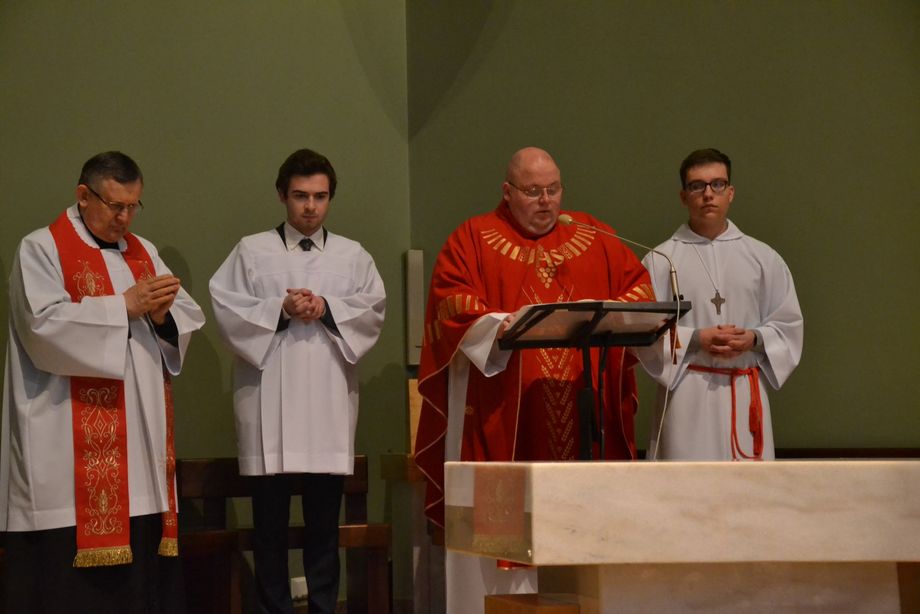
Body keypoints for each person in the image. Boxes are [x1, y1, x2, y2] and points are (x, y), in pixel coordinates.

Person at [413, 147, 654, 611]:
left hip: (582, 419)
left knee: (583, 548)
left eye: (553, 189)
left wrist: (617, 312)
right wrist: (497, 325)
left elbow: (639, 288)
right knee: (498, 544)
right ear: (507, 191)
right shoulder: (472, 238)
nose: (546, 201)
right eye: (533, 191)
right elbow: (452, 303)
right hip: (501, 417)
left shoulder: (594, 235)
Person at [0, 151, 205, 613]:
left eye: (133, 206)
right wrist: (122, 307)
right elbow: (41, 328)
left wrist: (162, 317)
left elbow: (184, 319)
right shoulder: (42, 249)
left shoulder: (143, 251)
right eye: (115, 206)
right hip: (64, 458)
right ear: (83, 195)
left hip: (139, 458)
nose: (124, 218)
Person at [209, 148, 385, 614]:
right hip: (269, 401)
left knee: (324, 527)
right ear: (282, 195)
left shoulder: (352, 255)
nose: (310, 207)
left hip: (327, 402)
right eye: (301, 196)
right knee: (269, 527)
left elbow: (372, 311)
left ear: (330, 198)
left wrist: (327, 308)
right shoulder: (251, 251)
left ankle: (324, 607)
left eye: (320, 196)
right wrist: (281, 310)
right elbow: (227, 309)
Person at [636, 148, 803, 460]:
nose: (708, 194)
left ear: (731, 193)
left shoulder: (763, 258)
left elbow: (788, 325)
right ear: (683, 196)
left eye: (717, 184)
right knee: (688, 486)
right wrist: (696, 339)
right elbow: (644, 333)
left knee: (748, 487)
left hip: (745, 389)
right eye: (697, 186)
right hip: (687, 394)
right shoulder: (660, 260)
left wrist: (754, 338)